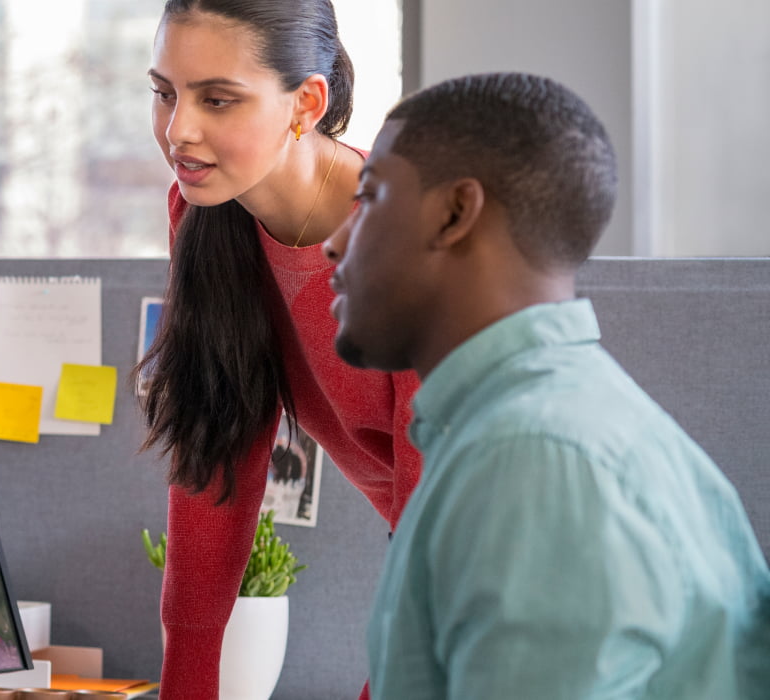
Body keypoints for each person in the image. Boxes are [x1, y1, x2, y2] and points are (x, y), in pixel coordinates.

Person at [325, 71, 770, 698]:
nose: (333, 242)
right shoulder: (534, 428)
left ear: (455, 212)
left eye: (367, 198)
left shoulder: (534, 459)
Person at [137, 2, 421, 697]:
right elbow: (217, 454)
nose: (179, 131)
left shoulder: (403, 239)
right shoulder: (207, 217)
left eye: (218, 99)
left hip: (535, 597)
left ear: (306, 104)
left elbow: (439, 521)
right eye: (165, 92)